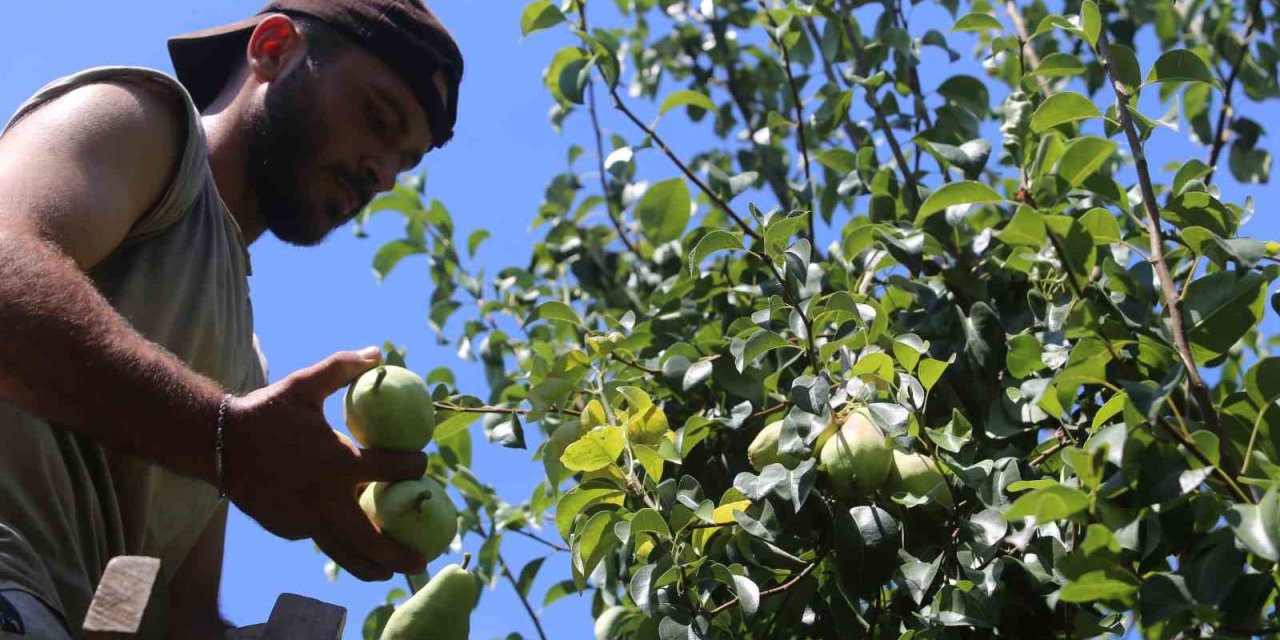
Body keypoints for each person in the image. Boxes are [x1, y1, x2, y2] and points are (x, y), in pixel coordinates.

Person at [0, 1, 464, 637]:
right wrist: (223, 438)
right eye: (377, 119)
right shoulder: (143, 124)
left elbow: (164, 604)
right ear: (273, 49)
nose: (381, 173)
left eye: (403, 163)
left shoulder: (244, 366)